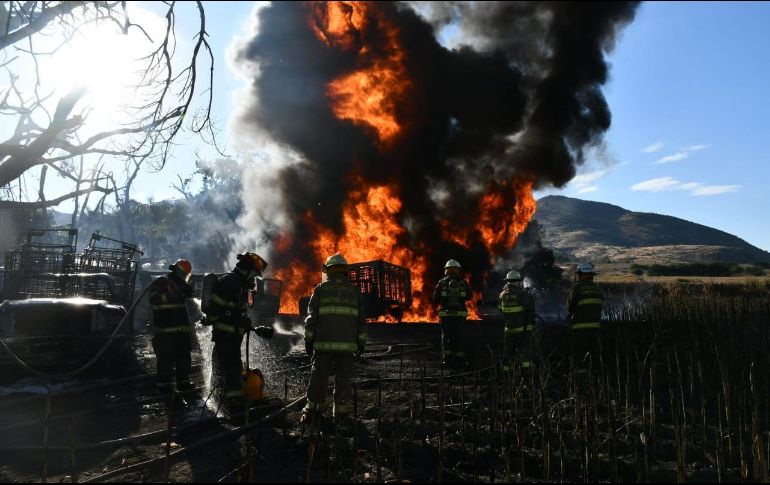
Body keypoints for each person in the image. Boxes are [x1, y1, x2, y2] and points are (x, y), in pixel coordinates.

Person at [301, 253, 366, 434]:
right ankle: (342, 417)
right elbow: (361, 321)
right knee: (343, 380)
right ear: (345, 272)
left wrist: (308, 339)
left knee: (319, 378)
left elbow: (311, 318)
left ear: (328, 271)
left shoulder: (320, 290)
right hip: (347, 348)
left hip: (323, 345)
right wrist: (361, 343)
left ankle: (313, 411)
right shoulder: (354, 292)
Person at [206, 252, 273, 406]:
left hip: (234, 335)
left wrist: (249, 325)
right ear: (247, 270)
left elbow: (239, 311)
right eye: (253, 274)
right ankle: (233, 401)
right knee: (232, 367)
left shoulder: (241, 285)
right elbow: (215, 307)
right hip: (225, 335)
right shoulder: (230, 282)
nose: (253, 278)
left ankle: (221, 397)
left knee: (227, 366)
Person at [148, 259, 196, 397]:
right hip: (165, 330)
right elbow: (152, 298)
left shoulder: (183, 286)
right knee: (166, 358)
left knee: (184, 357)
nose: (185, 276)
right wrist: (173, 296)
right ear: (178, 271)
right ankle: (164, 387)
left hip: (182, 331)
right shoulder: (161, 282)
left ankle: (184, 383)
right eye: (184, 273)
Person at [432, 259, 471, 368]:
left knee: (446, 337)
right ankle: (460, 360)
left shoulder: (441, 282)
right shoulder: (463, 282)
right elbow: (469, 296)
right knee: (460, 336)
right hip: (460, 315)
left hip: (446, 314)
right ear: (457, 270)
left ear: (446, 270)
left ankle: (447, 361)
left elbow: (435, 299)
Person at [567, 262, 604, 368]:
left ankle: (580, 379)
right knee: (595, 356)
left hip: (580, 329)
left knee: (578, 357)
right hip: (595, 329)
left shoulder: (577, 288)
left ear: (581, 275)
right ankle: (596, 378)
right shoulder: (598, 290)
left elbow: (570, 307)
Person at [498, 269, 536, 371]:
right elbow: (532, 310)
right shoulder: (522, 294)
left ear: (507, 281)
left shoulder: (502, 295)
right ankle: (526, 375)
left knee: (508, 353)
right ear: (518, 281)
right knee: (525, 353)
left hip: (509, 330)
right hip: (522, 330)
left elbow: (500, 310)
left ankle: (507, 374)